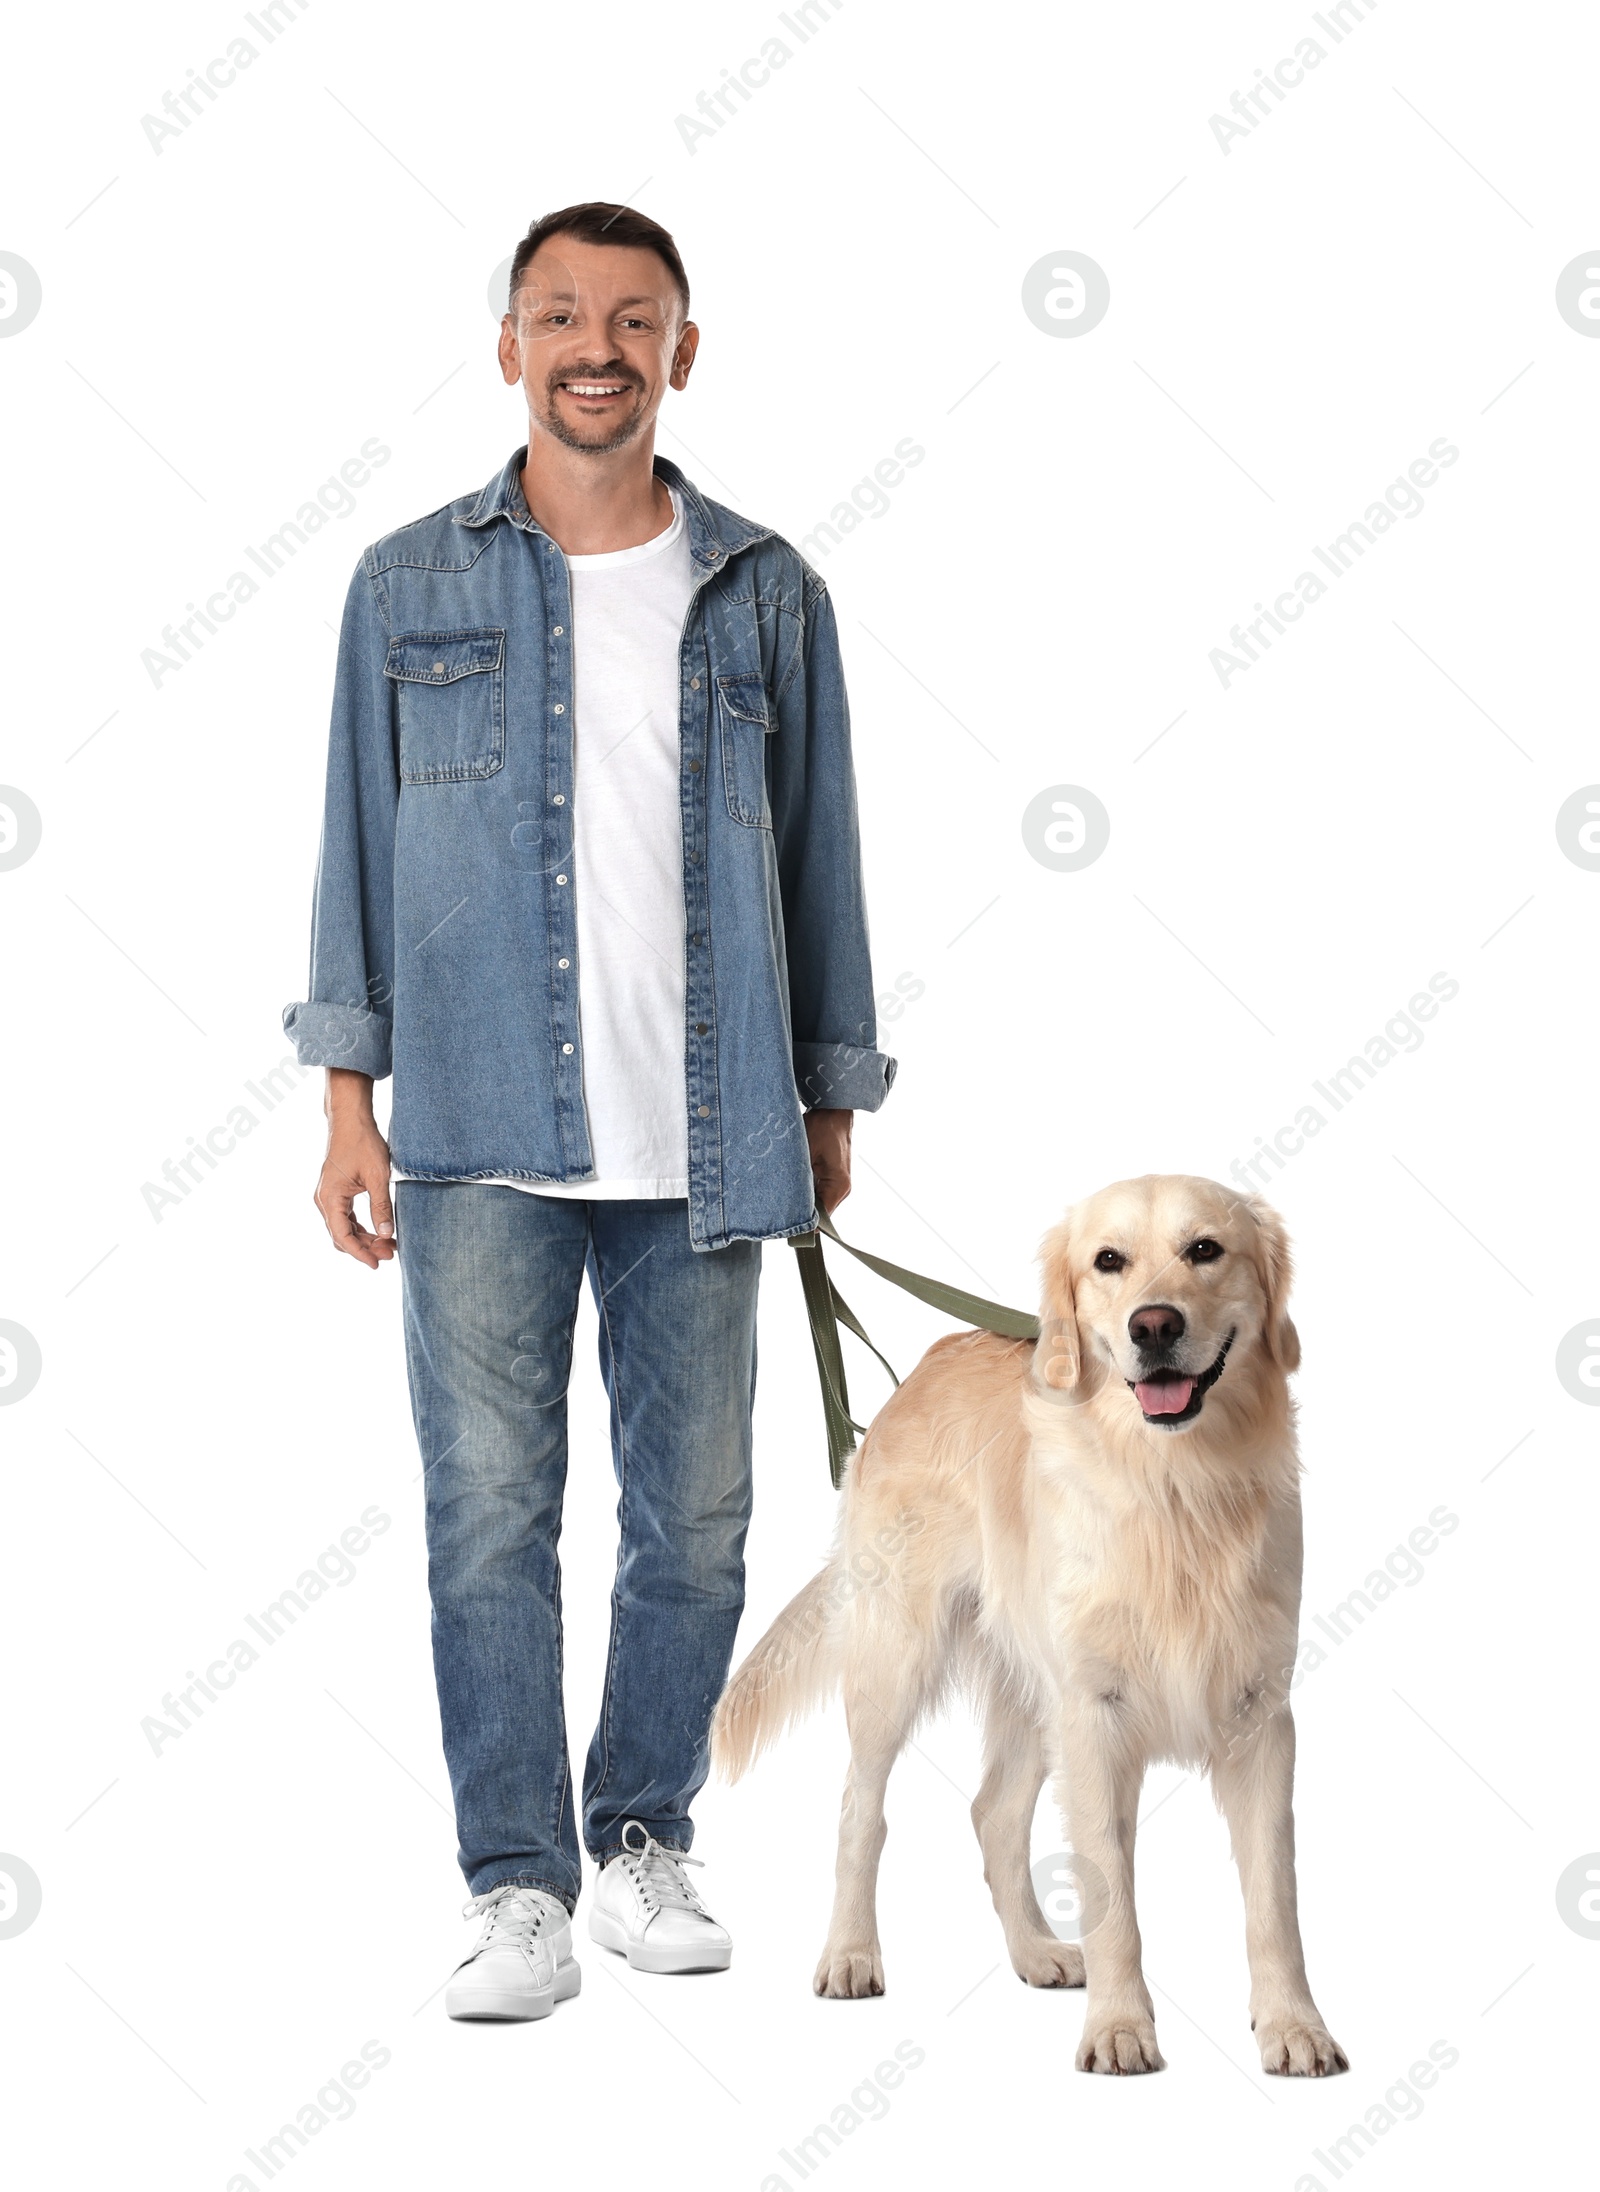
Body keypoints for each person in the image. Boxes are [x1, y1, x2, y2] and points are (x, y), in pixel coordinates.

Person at [282, 202, 894, 2022]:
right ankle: (515, 1886)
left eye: (633, 317)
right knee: (487, 1518)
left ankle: (642, 1833)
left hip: (707, 1146)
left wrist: (828, 1092)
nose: (596, 346)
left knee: (695, 1523)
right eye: (560, 315)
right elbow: (356, 854)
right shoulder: (406, 586)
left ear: (683, 352)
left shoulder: (768, 588)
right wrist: (346, 1098)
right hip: (473, 1134)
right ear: (510, 350)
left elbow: (824, 858)